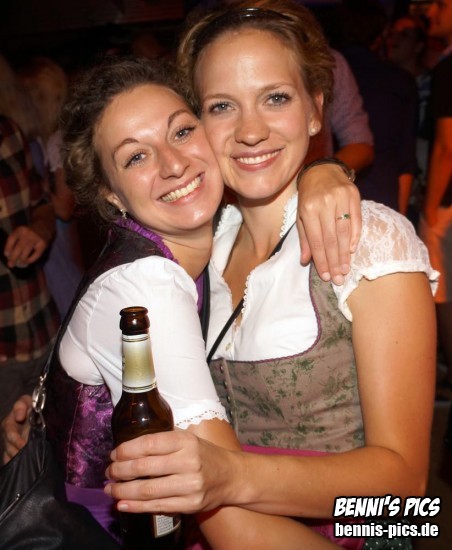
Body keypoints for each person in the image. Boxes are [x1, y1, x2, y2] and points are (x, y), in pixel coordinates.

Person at [104, 2, 438, 548]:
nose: (251, 131)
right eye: (222, 106)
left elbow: (406, 490)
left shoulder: (371, 240)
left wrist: (231, 478)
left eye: (276, 98)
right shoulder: (197, 247)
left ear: (316, 111)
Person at [0, 53, 359, 548]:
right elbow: (234, 527)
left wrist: (325, 170)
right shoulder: (146, 283)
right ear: (111, 196)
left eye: (182, 131)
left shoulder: (210, 239)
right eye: (136, 157)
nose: (173, 164)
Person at [331, 0, 418, 216]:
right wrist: (401, 220)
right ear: (380, 35)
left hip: (332, 196)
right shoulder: (400, 81)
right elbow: (406, 159)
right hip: (382, 195)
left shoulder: (327, 68)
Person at [418, 0, 452, 410]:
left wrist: (429, 210)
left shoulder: (448, 69)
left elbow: (447, 146)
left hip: (447, 203)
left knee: (444, 293)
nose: (430, 12)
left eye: (441, 3)